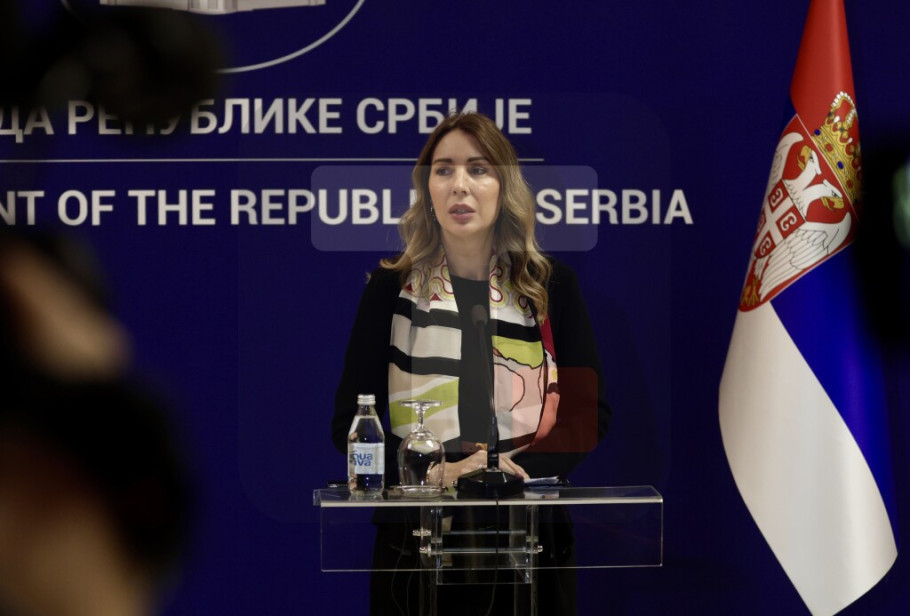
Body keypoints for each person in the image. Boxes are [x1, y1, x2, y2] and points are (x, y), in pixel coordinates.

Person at [332, 112, 610, 615]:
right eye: (444, 169)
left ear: (504, 186)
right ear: (427, 190)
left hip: (531, 537)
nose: (460, 184)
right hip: (416, 543)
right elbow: (349, 424)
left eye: (478, 169)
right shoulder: (390, 290)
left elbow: (588, 415)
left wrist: (511, 472)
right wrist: (436, 471)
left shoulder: (549, 286)